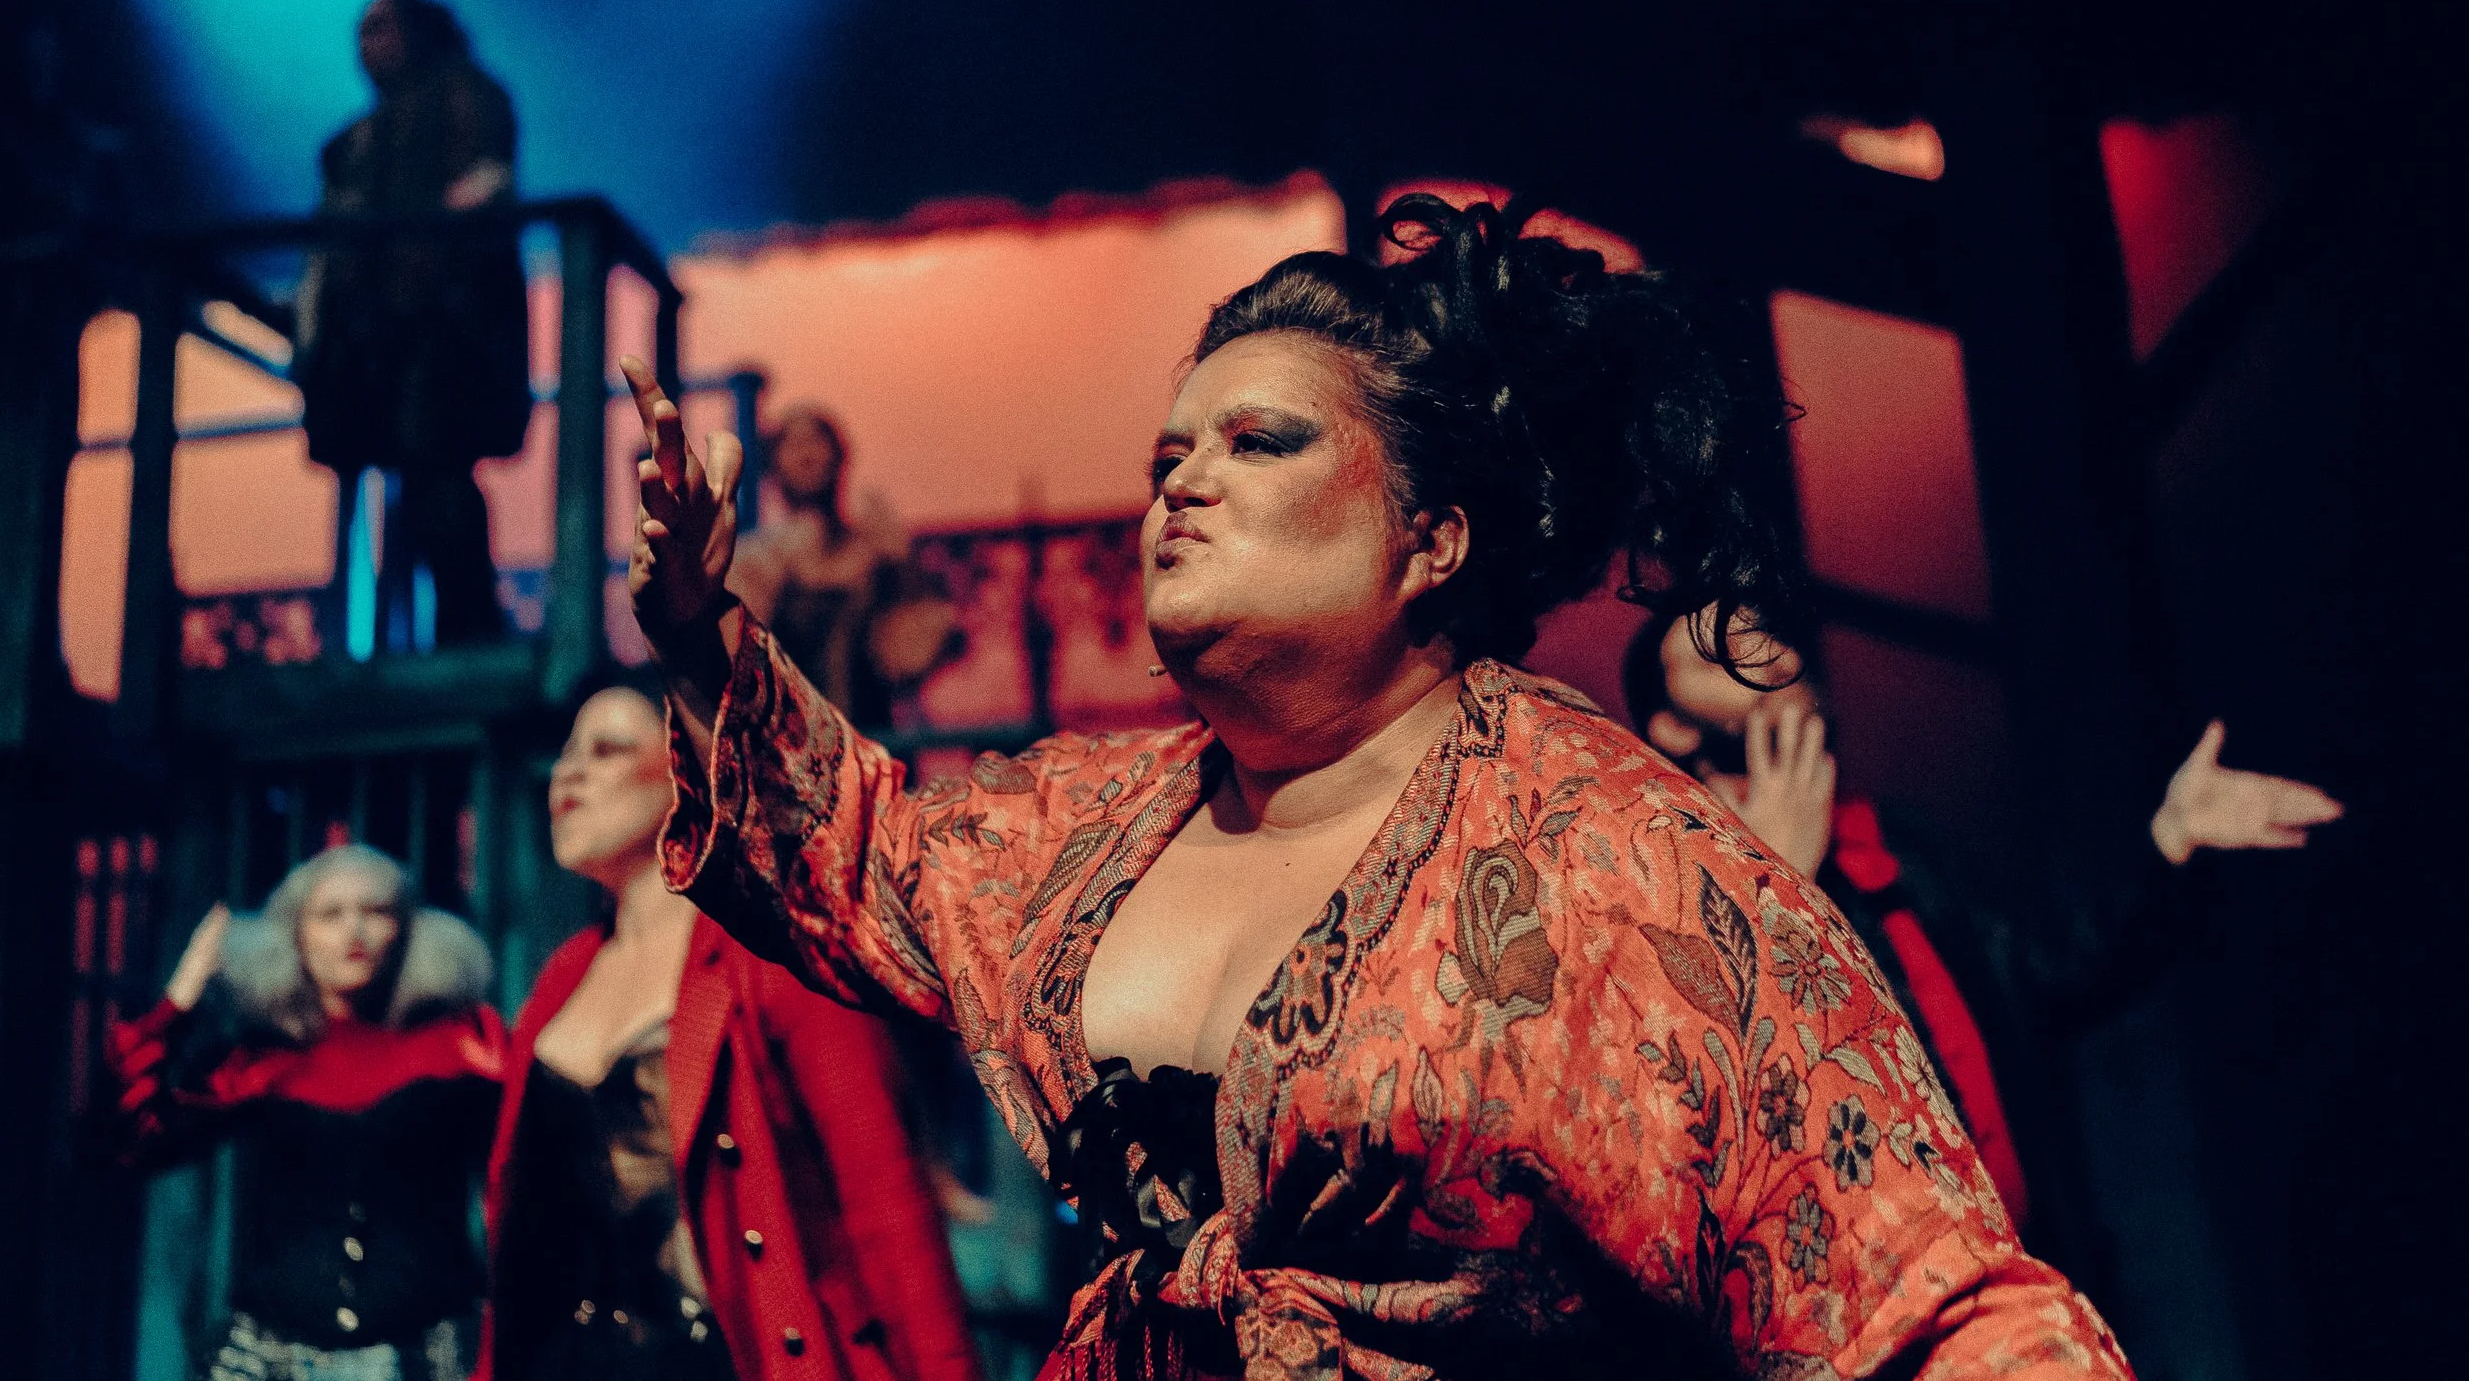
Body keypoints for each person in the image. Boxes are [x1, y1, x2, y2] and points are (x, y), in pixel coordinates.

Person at [621, 194, 2136, 1380]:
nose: (1179, 484)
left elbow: (1927, 1300)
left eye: (1258, 439)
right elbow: (861, 842)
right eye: (1167, 454)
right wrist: (701, 619)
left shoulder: (1620, 861)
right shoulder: (1080, 822)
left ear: (1432, 537)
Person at [1622, 613, 2342, 1283]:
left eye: (1758, 628)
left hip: (2038, 1283)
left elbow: (2046, 975)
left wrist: (2173, 844)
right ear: (1670, 725)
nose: (1760, 649)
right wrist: (1780, 897)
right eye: (1716, 649)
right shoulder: (1679, 896)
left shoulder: (1895, 845)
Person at [479, 684, 980, 1381]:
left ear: (692, 769)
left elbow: (887, 1209)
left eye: (608, 749)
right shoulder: (563, 975)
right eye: (566, 753)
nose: (571, 772)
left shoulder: (771, 953)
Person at [102, 845, 504, 1380]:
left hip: (425, 1356)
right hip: (267, 1359)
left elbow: (530, 1171)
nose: (354, 931)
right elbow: (127, 1141)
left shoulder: (462, 1046)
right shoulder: (259, 1060)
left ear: (408, 931)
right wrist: (179, 1000)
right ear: (296, 935)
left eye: (377, 911)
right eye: (330, 914)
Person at [295, 0, 531, 648]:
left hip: (444, 330)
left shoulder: (467, 96)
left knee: (440, 473)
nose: (368, 46)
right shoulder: (360, 138)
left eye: (381, 28)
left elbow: (484, 185)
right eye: (362, 31)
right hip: (378, 342)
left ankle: (469, 629)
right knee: (410, 475)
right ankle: (413, 635)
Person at [725, 405, 959, 730]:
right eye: (793, 446)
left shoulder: (874, 554)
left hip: (871, 744)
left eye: (816, 442)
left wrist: (899, 564)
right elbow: (733, 664)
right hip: (785, 748)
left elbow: (913, 656)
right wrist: (779, 575)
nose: (806, 456)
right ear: (774, 464)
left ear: (839, 455)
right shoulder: (753, 559)